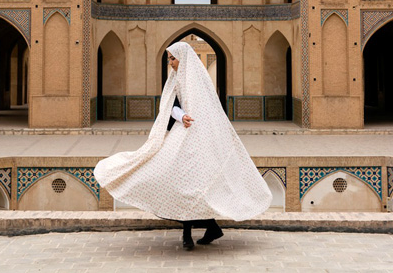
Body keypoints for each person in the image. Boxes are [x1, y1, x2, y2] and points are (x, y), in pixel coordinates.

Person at [94, 41, 271, 251]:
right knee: (178, 183)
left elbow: (208, 108)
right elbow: (170, 106)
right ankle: (208, 228)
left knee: (192, 186)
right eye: (169, 58)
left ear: (182, 58)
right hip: (182, 134)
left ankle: (193, 233)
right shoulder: (174, 79)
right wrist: (182, 116)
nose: (170, 63)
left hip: (199, 139)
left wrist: (195, 123)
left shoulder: (198, 79)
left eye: (172, 58)